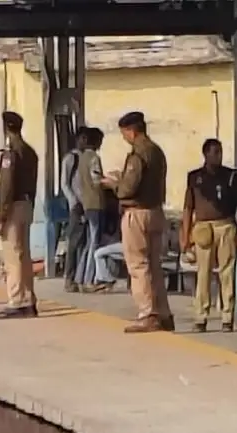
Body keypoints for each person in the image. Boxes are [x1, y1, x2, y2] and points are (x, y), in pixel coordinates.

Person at [103, 111, 172, 333]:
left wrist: (114, 183)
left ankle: (147, 313)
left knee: (138, 265)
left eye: (124, 133)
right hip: (156, 211)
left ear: (131, 131)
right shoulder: (157, 152)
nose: (124, 138)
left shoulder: (138, 155)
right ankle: (163, 313)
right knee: (154, 264)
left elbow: (128, 189)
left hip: (137, 213)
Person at [181, 139, 237, 333]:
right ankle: (201, 316)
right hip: (203, 227)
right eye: (214, 152)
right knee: (203, 273)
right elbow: (187, 208)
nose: (218, 155)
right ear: (206, 154)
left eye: (220, 151)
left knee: (227, 273)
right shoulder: (195, 178)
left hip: (225, 225)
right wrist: (185, 235)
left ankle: (227, 316)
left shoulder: (231, 176)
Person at [0, 111, 39, 319]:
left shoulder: (11, 154)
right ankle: (28, 299)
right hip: (27, 204)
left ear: (6, 129)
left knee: (13, 257)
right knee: (24, 255)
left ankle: (17, 300)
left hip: (13, 207)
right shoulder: (30, 152)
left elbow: (6, 187)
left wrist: (1, 215)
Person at [77, 127, 109, 292]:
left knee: (88, 242)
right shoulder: (94, 158)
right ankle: (89, 279)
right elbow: (97, 180)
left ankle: (80, 278)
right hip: (95, 203)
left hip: (85, 203)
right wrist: (109, 180)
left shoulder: (81, 158)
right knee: (94, 242)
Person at [60, 127, 89, 292]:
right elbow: (64, 183)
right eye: (83, 138)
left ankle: (80, 277)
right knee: (74, 243)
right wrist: (74, 201)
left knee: (83, 243)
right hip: (77, 206)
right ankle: (69, 278)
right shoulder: (71, 158)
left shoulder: (87, 157)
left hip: (88, 204)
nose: (85, 142)